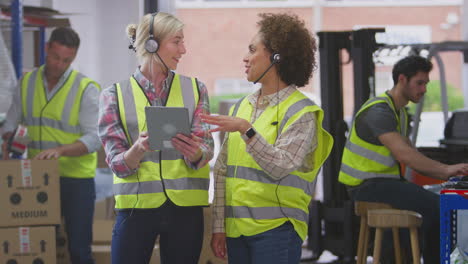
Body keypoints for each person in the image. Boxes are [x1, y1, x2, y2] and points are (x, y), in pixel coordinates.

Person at [202, 13, 333, 264]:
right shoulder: (242, 106)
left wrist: (247, 130)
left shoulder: (301, 112)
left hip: (277, 229)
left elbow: (281, 165)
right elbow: (222, 171)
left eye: (252, 50)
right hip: (236, 230)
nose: (245, 57)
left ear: (276, 57)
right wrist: (219, 225)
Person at [98, 12, 214, 264]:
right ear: (152, 44)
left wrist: (194, 151)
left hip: (185, 209)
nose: (184, 49)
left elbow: (206, 148)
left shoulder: (195, 89)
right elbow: (115, 161)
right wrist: (137, 149)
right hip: (135, 210)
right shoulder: (114, 95)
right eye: (177, 41)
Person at [339, 55, 468, 264]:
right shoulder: (378, 111)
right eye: (420, 83)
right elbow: (404, 155)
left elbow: (412, 154)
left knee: (428, 200)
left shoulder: (399, 113)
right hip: (366, 185)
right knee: (437, 206)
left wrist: (452, 173)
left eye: (426, 83)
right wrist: (446, 170)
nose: (424, 89)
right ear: (402, 80)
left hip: (385, 183)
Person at [1, 27, 100, 264]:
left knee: (78, 249)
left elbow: (95, 138)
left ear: (74, 57)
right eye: (55, 57)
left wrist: (61, 151)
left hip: (76, 179)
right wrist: (8, 144)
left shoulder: (86, 89)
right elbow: (10, 125)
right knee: (41, 247)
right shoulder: (27, 83)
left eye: (67, 60)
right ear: (46, 49)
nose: (59, 64)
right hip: (37, 178)